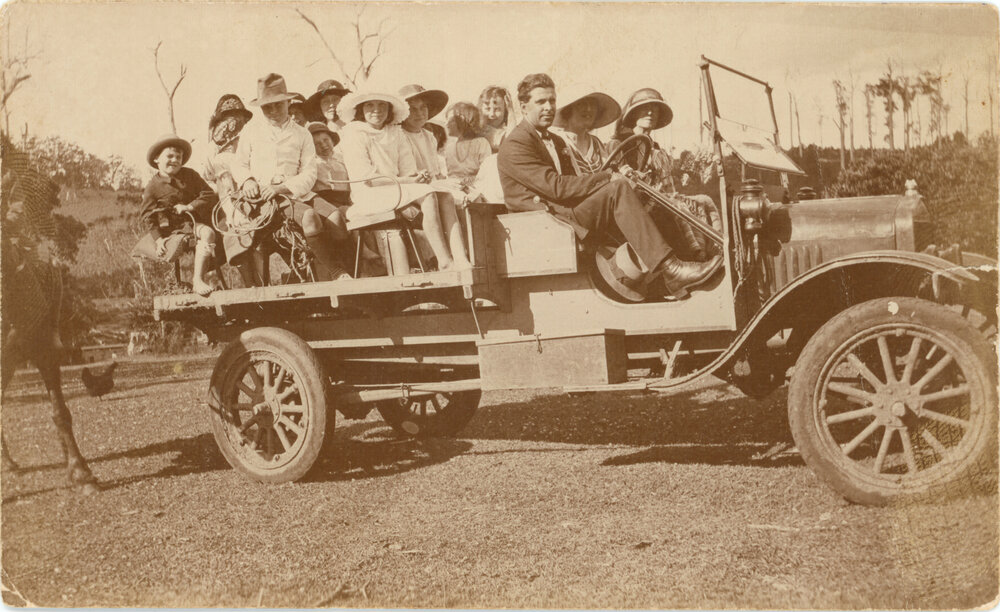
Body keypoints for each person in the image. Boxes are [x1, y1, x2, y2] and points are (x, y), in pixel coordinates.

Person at [497, 73, 721, 300]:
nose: (548, 107)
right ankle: (672, 270)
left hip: (563, 214)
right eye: (541, 102)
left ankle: (682, 270)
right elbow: (557, 188)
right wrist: (608, 177)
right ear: (524, 107)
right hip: (546, 225)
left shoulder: (554, 141)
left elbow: (573, 183)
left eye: (552, 101)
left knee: (645, 197)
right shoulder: (516, 143)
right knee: (618, 189)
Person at [231, 73, 351, 282]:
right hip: (264, 199)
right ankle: (337, 273)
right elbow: (239, 163)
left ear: (288, 102)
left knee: (337, 221)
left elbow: (309, 172)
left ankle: (325, 266)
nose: (273, 111)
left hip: (295, 192)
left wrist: (283, 187)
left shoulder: (301, 133)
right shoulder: (252, 131)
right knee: (310, 218)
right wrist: (247, 180)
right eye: (267, 107)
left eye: (278, 105)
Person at [337, 89, 471, 271]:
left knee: (445, 196)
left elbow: (408, 169)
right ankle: (444, 260)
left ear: (389, 109)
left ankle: (460, 257)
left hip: (395, 189)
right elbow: (367, 180)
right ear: (361, 109)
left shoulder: (395, 132)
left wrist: (416, 177)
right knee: (428, 194)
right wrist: (409, 180)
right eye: (370, 105)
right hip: (369, 195)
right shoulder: (354, 134)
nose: (376, 110)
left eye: (382, 105)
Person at [612, 87, 721, 261]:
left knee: (705, 201)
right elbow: (621, 183)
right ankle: (696, 255)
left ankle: (716, 249)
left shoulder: (655, 148)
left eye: (655, 109)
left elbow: (667, 183)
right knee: (678, 207)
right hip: (637, 203)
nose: (650, 112)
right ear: (633, 114)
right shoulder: (620, 144)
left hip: (661, 196)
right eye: (644, 108)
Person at [136, 135, 219, 296]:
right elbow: (147, 216)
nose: (174, 160)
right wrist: (158, 239)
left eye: (178, 157)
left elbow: (208, 194)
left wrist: (189, 206)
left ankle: (198, 279)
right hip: (171, 232)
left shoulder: (190, 175)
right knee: (170, 251)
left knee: (209, 233)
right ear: (156, 159)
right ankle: (175, 284)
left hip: (192, 223)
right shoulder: (153, 187)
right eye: (169, 156)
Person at [550, 87, 620, 174]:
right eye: (582, 103)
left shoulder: (596, 143)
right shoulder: (558, 142)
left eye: (592, 104)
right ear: (568, 110)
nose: (589, 109)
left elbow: (610, 172)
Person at [398, 84, 449, 180]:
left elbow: (435, 170)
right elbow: (408, 173)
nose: (419, 113)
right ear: (403, 112)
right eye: (412, 109)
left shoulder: (429, 136)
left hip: (432, 184)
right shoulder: (399, 136)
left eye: (423, 107)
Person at [444, 102, 492, 187]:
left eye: (451, 120)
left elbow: (486, 173)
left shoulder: (480, 143)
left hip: (475, 187)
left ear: (463, 121)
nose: (446, 124)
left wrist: (469, 181)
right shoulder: (449, 147)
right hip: (452, 188)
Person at [478, 85, 517, 153]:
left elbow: (513, 139)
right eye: (487, 109)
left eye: (497, 109)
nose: (492, 114)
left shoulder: (505, 130)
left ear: (505, 111)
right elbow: (510, 140)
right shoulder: (482, 130)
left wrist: (510, 110)